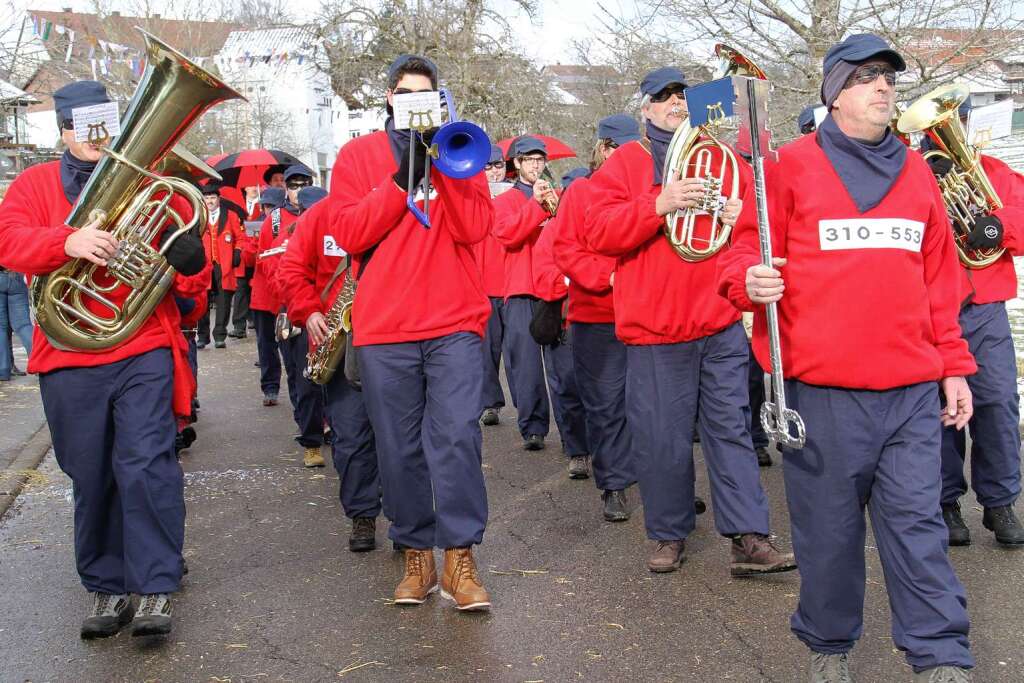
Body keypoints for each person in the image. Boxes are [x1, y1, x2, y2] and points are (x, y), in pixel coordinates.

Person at [719, 34, 977, 682]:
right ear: (834, 95)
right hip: (822, 395)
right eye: (865, 77)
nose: (884, 87)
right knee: (829, 538)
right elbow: (742, 249)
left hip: (911, 392)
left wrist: (952, 365)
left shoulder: (919, 171)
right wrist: (748, 279)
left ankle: (941, 655)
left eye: (889, 77)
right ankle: (829, 650)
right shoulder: (789, 166)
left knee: (919, 530)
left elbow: (940, 279)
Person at [0, 80, 206, 638]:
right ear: (65, 130)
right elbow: (8, 240)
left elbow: (192, 285)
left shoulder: (152, 183)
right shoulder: (34, 183)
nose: (97, 137)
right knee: (90, 475)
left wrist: (190, 259)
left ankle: (157, 587)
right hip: (69, 352)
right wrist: (64, 243)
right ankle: (107, 588)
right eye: (85, 127)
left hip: (141, 345)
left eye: (104, 125)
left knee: (147, 467)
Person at [583, 66, 796, 577]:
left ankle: (749, 536)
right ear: (646, 109)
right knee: (661, 438)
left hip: (717, 321)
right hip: (655, 331)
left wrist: (733, 224)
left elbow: (748, 230)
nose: (676, 103)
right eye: (664, 97)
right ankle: (669, 533)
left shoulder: (722, 160)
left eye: (683, 96)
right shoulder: (625, 164)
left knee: (731, 432)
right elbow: (598, 233)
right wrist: (660, 202)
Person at [326, 54, 493, 611]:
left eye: (427, 92)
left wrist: (445, 169)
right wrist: (402, 179)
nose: (415, 99)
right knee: (398, 449)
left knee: (456, 438)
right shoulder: (357, 156)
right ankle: (416, 553)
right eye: (406, 92)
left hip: (454, 323)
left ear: (439, 100)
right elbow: (349, 232)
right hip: (384, 327)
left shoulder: (457, 151)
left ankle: (460, 556)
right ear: (390, 99)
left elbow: (476, 229)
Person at [925, 101, 1024, 548]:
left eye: (956, 121)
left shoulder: (993, 170)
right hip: (931, 306)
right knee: (942, 410)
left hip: (984, 303)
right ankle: (946, 501)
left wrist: (995, 226)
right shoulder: (911, 169)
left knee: (999, 402)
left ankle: (1000, 502)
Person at [278, 187, 383, 552]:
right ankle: (363, 514)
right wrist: (308, 311)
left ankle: (407, 518)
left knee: (400, 434)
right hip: (340, 341)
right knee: (351, 434)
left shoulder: (397, 205)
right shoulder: (319, 216)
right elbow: (291, 269)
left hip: (391, 334)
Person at [551, 114, 640, 518]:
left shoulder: (647, 186)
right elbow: (566, 250)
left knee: (650, 405)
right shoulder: (582, 191)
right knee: (606, 404)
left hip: (646, 315)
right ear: (603, 148)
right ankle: (615, 484)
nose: (626, 156)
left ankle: (662, 484)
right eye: (619, 148)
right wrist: (608, 277)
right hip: (597, 315)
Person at [492, 136, 561, 451]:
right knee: (526, 364)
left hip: (553, 287)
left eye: (540, 159)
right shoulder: (506, 200)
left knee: (561, 366)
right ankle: (533, 427)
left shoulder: (555, 195)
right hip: (520, 288)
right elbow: (507, 235)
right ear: (516, 163)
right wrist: (535, 206)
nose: (536, 165)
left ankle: (572, 431)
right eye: (529, 159)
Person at [263, 167, 326, 469]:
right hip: (295, 312)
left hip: (331, 314)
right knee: (303, 379)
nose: (298, 189)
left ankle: (333, 431)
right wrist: (293, 300)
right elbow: (269, 267)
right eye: (293, 185)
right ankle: (310, 437)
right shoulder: (276, 223)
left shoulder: (334, 222)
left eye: (304, 184)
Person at [474, 144, 515, 426]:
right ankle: (490, 403)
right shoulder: (472, 196)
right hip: (482, 286)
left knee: (517, 353)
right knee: (487, 352)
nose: (494, 171)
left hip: (513, 284)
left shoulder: (517, 193)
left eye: (498, 165)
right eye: (487, 166)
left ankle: (525, 406)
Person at [245, 187, 288, 407]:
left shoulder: (289, 223)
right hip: (263, 295)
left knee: (288, 345)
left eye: (271, 206)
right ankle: (270, 387)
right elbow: (247, 259)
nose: (267, 210)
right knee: (266, 344)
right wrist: (254, 243)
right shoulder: (258, 226)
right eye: (265, 206)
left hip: (283, 294)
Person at [197, 183, 243, 349]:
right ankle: (202, 336)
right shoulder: (199, 215)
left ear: (218, 199)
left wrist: (237, 251)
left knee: (223, 301)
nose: (209, 201)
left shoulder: (230, 215)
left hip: (224, 264)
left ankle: (220, 336)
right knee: (202, 300)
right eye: (207, 197)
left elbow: (240, 237)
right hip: (204, 264)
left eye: (212, 197)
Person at [0, 267, 33, 381]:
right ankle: (37, 363)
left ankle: (3, 370)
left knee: (0, 328)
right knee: (23, 325)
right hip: (16, 276)